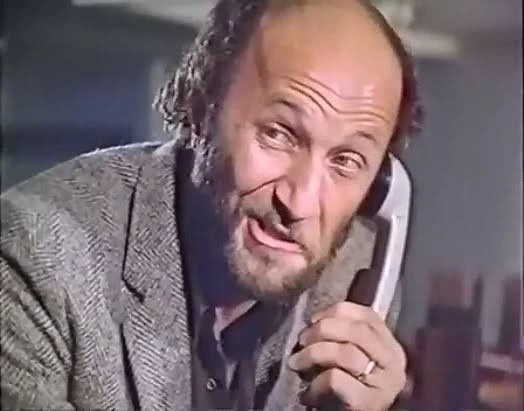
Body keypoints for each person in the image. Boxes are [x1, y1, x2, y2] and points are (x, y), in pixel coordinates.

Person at [0, 0, 423, 409]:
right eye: (278, 133)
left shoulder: (353, 279)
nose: (301, 203)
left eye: (346, 161)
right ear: (201, 103)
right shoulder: (37, 258)